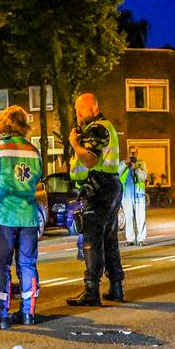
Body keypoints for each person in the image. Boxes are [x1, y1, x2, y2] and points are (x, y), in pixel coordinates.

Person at [0, 106, 43, 330]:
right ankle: (28, 312)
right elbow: (38, 177)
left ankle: (0, 314)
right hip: (29, 217)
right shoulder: (34, 151)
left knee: (0, 265)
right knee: (27, 264)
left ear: (4, 124)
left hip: (2, 215)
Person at [66, 93, 125, 306]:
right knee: (109, 239)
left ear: (92, 108)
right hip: (110, 186)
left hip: (99, 188)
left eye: (80, 110)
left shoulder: (97, 129)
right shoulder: (105, 127)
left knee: (91, 240)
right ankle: (116, 287)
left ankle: (91, 290)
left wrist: (75, 143)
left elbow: (90, 159)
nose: (78, 114)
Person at [119, 147, 148, 246]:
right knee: (128, 217)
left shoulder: (141, 163)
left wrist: (136, 168)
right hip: (127, 194)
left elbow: (143, 177)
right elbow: (117, 174)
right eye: (130, 153)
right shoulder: (123, 163)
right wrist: (125, 165)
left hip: (139, 194)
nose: (132, 155)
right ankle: (130, 239)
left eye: (134, 153)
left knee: (140, 217)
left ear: (137, 153)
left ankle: (141, 239)